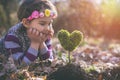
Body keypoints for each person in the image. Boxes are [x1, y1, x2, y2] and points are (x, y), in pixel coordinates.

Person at [0, 0, 57, 66]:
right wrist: (35, 43)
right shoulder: (13, 37)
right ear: (26, 23)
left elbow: (49, 61)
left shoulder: (44, 33)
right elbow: (20, 65)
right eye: (42, 23)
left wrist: (41, 42)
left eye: (49, 23)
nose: (48, 28)